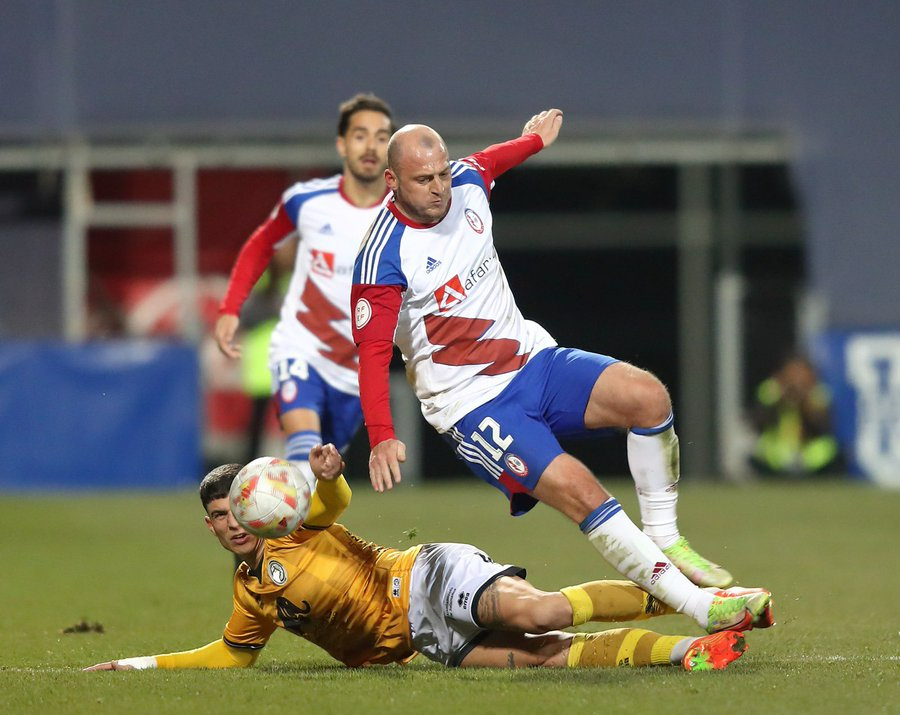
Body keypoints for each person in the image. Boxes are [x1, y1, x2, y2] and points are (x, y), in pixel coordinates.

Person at [350, 109, 758, 633]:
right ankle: (702, 608)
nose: (438, 189)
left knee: (647, 397)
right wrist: (381, 435)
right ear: (392, 181)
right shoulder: (382, 256)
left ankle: (663, 536)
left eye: (442, 174)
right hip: (473, 405)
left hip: (533, 361)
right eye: (422, 180)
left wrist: (534, 141)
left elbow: (494, 160)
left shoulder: (468, 183)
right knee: (583, 490)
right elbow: (372, 353)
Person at [84, 444, 772, 674]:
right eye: (216, 519)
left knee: (540, 609)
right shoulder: (252, 592)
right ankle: (688, 650)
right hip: (421, 639)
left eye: (235, 509)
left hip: (424, 576)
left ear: (258, 504)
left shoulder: (300, 522)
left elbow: (335, 497)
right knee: (545, 656)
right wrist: (139, 663)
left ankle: (694, 595)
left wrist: (325, 472)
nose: (230, 524)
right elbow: (229, 658)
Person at [214, 93, 395, 489]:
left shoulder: (404, 215)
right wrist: (231, 308)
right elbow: (262, 243)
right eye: (360, 135)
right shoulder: (309, 201)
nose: (371, 146)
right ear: (342, 144)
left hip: (354, 369)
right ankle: (261, 537)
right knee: (304, 452)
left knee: (324, 476)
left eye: (382, 137)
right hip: (302, 348)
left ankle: (265, 539)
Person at [748, 353, 843, 477]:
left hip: (808, 455)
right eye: (793, 372)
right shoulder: (771, 389)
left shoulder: (817, 392)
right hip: (776, 455)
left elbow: (823, 427)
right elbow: (758, 422)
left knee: (834, 453)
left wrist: (804, 403)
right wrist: (780, 400)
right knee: (753, 454)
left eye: (801, 373)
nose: (797, 378)